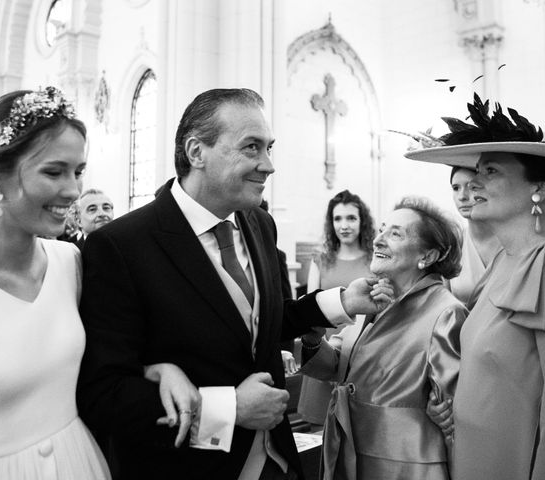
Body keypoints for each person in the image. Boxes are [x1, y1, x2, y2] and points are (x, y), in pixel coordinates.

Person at [76, 88, 392, 480]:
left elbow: (262, 323)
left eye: (269, 148)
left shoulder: (259, 224)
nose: (268, 165)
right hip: (188, 468)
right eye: (251, 148)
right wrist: (228, 409)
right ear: (196, 152)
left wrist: (341, 301)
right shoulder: (122, 246)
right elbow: (104, 393)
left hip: (275, 460)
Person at [0, 87, 111, 479]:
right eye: (54, 171)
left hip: (76, 462)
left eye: (78, 171)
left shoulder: (72, 264)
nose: (72, 190)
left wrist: (160, 369)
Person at [405, 93, 545, 480]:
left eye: (491, 171)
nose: (473, 183)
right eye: (476, 170)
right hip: (471, 458)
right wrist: (450, 402)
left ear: (542, 188)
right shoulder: (503, 261)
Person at [300, 196, 466, 480]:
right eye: (383, 229)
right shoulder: (375, 298)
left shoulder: (445, 313)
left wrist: (447, 411)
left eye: (395, 234)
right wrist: (312, 339)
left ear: (426, 256)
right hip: (350, 455)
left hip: (403, 466)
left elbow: (455, 413)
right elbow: (340, 367)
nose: (379, 240)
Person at [297, 189, 375, 426]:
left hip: (362, 356)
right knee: (320, 433)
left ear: (362, 221)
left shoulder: (375, 259)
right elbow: (308, 309)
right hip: (323, 350)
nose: (344, 225)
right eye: (338, 218)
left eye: (351, 218)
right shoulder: (321, 259)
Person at [447, 167, 501, 306]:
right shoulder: (451, 244)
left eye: (472, 187)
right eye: (456, 188)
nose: (462, 196)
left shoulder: (515, 241)